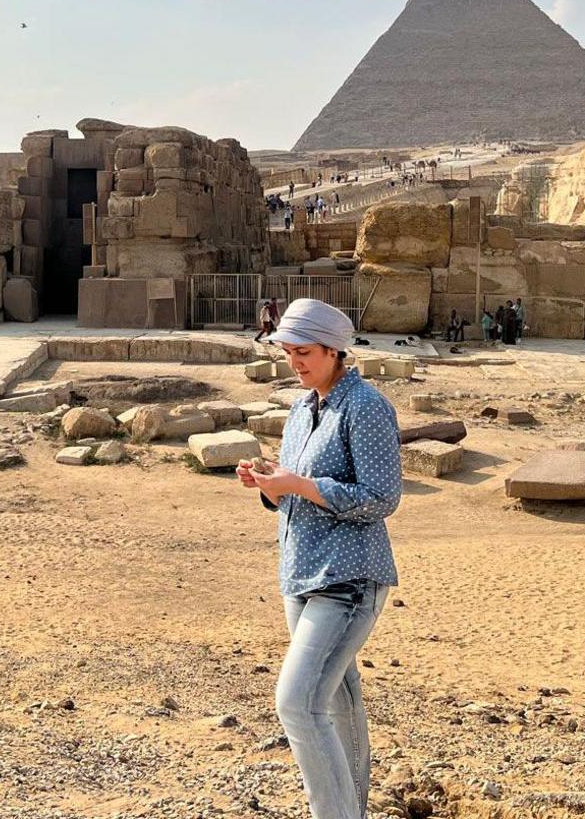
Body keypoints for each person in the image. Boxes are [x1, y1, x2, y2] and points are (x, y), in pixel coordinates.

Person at [235, 298, 401, 819]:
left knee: (298, 703)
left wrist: (299, 484)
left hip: (348, 578)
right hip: (300, 573)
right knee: (337, 704)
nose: (295, 362)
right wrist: (269, 484)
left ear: (335, 351)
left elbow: (382, 496)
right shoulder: (302, 408)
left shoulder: (366, 406)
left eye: (304, 352)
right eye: (287, 352)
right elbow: (294, 492)